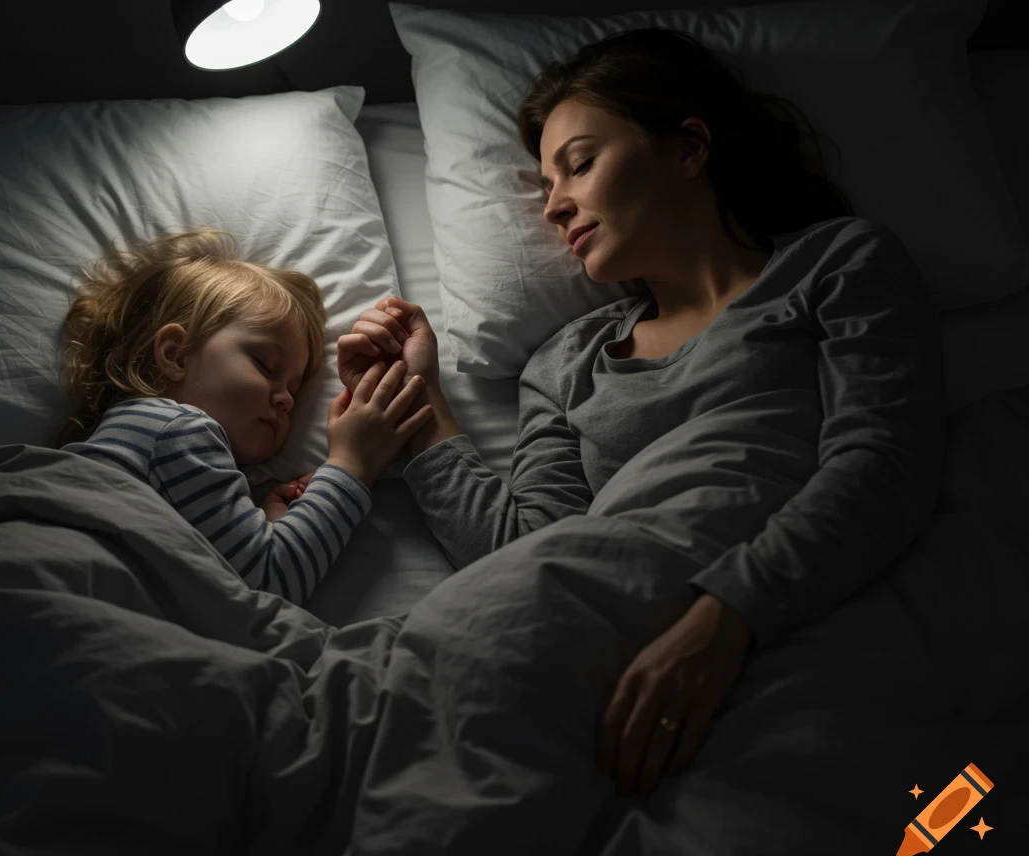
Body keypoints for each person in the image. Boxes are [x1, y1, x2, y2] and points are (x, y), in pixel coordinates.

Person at [336, 29, 945, 796]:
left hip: (791, 645)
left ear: (688, 149)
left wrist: (725, 620)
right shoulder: (564, 363)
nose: (554, 205)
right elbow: (528, 554)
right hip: (607, 664)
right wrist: (419, 401)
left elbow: (884, 465)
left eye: (580, 164)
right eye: (546, 183)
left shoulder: (836, 266)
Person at [56, 227, 434, 606]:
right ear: (176, 354)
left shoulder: (140, 440)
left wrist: (268, 526)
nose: (285, 399)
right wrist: (352, 463)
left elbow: (231, 578)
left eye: (295, 390)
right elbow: (272, 582)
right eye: (264, 365)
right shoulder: (175, 429)